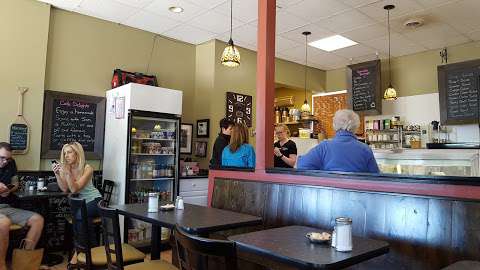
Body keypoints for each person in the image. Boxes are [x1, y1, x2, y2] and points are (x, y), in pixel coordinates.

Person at [0, 142, 44, 270]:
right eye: (2, 158)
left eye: (7, 158)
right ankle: (2, 265)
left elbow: (15, 183)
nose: (5, 161)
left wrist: (10, 189)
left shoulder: (11, 163)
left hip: (7, 206)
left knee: (38, 220)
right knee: (4, 223)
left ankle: (23, 265)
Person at [297, 109, 379, 173]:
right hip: (357, 193)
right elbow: (376, 177)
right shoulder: (365, 149)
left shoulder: (324, 147)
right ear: (356, 127)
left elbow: (301, 165)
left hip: (330, 193)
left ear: (334, 125)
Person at [52, 142, 102, 247]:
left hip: (95, 200)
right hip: (80, 203)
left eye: (69, 152)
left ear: (77, 153)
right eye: (65, 153)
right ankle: (89, 249)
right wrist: (57, 174)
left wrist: (67, 174)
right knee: (80, 219)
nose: (66, 156)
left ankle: (82, 250)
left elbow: (74, 189)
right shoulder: (66, 168)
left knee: (80, 215)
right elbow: (65, 188)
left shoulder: (88, 168)